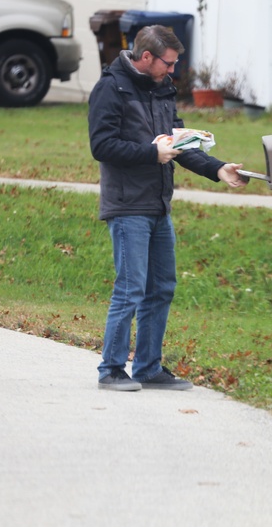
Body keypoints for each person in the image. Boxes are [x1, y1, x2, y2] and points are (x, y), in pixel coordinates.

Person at [88, 25, 246, 391]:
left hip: (159, 205)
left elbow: (180, 143)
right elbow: (102, 145)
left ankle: (147, 367)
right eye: (168, 64)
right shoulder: (110, 88)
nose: (172, 71)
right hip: (128, 205)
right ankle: (111, 370)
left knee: (162, 288)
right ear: (147, 57)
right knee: (130, 289)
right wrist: (150, 152)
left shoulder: (161, 90)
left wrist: (218, 168)